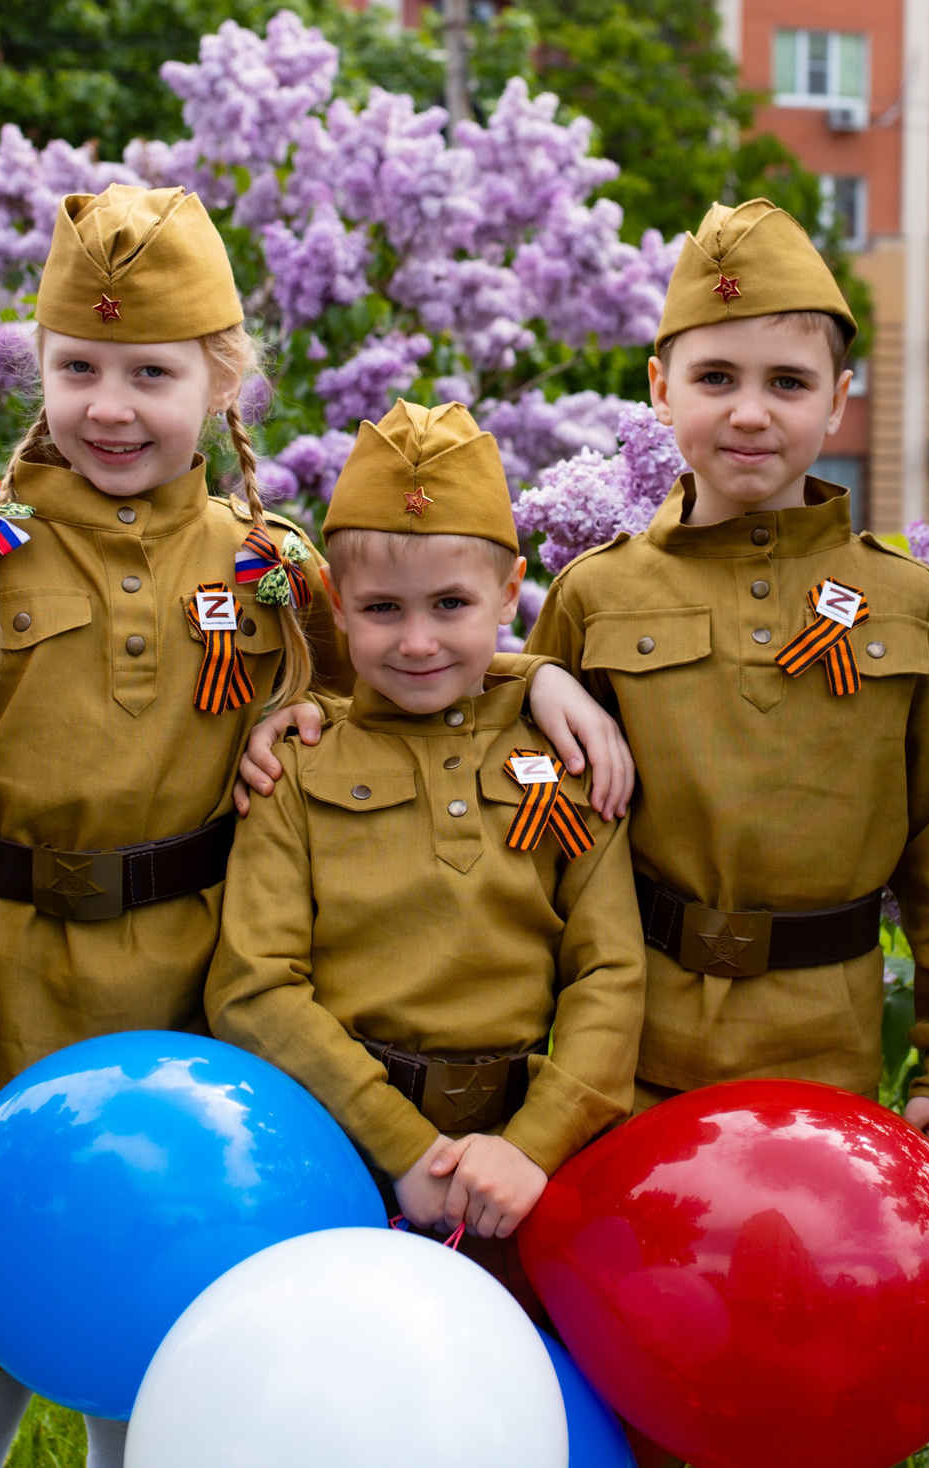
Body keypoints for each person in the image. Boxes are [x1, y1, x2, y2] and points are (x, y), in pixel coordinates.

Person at [0, 190, 623, 1468]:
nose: (110, 404)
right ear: (36, 366)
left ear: (222, 380)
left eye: (151, 372)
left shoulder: (270, 569)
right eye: (77, 366)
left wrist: (542, 676)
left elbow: (410, 661)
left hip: (191, 1015)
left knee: (160, 1342)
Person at [526, 199, 929, 1163]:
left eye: (787, 383)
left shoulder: (909, 604)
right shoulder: (596, 595)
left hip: (825, 1050)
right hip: (631, 1043)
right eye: (716, 377)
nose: (750, 411)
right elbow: (529, 822)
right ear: (662, 391)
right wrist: (531, 675)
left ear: (838, 400)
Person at [208, 400, 644, 1299]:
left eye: (451, 604)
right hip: (339, 1152)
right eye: (380, 608)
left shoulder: (564, 755)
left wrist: (531, 1146)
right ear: (335, 599)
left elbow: (609, 975)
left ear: (509, 589)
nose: (416, 640)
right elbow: (254, 987)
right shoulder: (295, 763)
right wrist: (401, 1146)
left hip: (525, 1170)